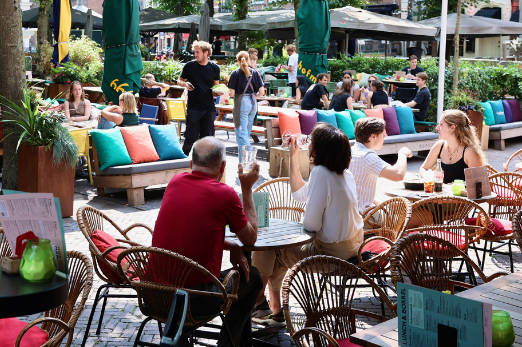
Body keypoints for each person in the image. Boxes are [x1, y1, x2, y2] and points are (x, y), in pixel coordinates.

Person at [151, 137, 262, 347]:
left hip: (156, 294)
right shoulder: (226, 194)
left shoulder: (174, 182)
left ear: (191, 164)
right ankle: (228, 343)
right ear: (223, 167)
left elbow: (192, 232)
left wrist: (230, 245)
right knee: (253, 277)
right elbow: (251, 237)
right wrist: (246, 188)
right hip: (194, 300)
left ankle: (180, 335)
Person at [252, 124, 363, 325]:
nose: (309, 144)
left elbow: (311, 226)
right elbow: (299, 194)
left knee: (269, 245)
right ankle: (273, 311)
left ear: (320, 149)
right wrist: (293, 157)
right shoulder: (345, 175)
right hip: (353, 249)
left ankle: (258, 302)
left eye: (312, 141)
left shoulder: (321, 172)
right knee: (277, 249)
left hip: (330, 256)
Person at [289, 117, 411, 215]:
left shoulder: (343, 156)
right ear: (373, 136)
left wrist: (293, 157)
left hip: (348, 219)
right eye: (383, 134)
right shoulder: (366, 156)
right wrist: (402, 153)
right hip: (362, 219)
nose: (385, 137)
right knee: (415, 212)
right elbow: (398, 175)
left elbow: (301, 195)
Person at [177, 41, 221, 155]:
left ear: (206, 53)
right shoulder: (189, 66)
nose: (195, 54)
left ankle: (204, 162)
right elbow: (179, 80)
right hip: (193, 107)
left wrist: (219, 92)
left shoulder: (215, 68)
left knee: (207, 139)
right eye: (195, 52)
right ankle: (183, 159)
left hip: (209, 108)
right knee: (190, 137)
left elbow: (216, 87)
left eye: (197, 52)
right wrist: (185, 84)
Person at [420, 109, 486, 184]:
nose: (437, 128)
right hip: (441, 194)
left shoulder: (469, 152)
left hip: (461, 195)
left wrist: (456, 185)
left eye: (441, 124)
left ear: (452, 128)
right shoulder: (439, 146)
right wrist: (428, 178)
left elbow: (479, 182)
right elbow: (423, 168)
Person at [228, 51, 265, 150]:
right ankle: (243, 163)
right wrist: (254, 98)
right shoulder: (255, 73)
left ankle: (249, 159)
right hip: (253, 103)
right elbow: (262, 92)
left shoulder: (235, 73)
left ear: (237, 61)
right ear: (248, 59)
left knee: (242, 135)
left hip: (242, 103)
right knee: (246, 134)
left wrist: (223, 92)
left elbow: (231, 94)